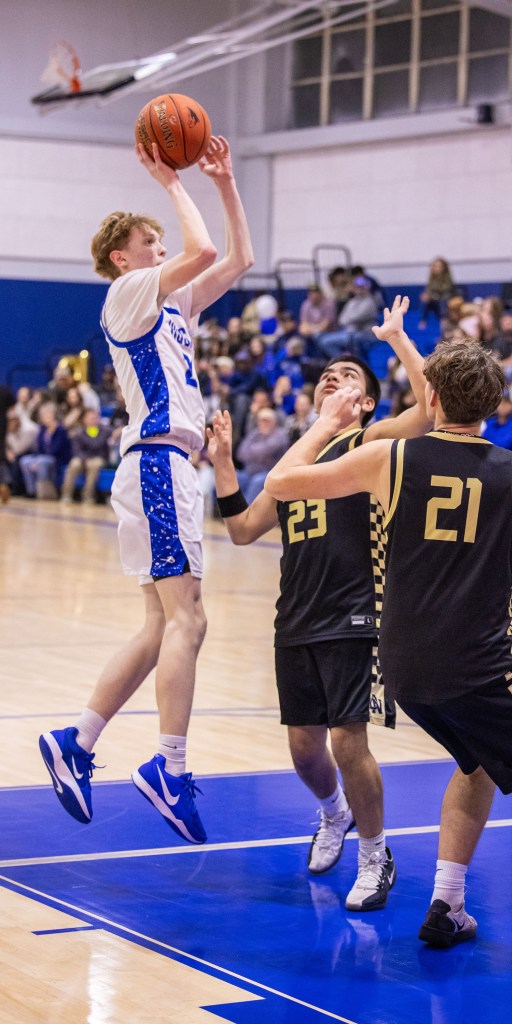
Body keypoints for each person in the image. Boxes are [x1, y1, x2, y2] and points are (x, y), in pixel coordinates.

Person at [264, 341, 512, 985]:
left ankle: (447, 907)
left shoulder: (390, 458)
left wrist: (324, 426)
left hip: (403, 669)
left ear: (430, 398)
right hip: (483, 666)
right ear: (497, 405)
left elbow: (279, 484)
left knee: (475, 761)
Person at [38, 134, 254, 844]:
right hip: (160, 464)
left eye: (161, 242)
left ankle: (76, 742)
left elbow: (238, 260)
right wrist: (173, 181)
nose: (161, 249)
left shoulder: (171, 306)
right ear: (120, 259)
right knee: (189, 622)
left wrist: (225, 180)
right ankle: (169, 766)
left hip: (162, 466)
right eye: (149, 243)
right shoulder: (127, 294)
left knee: (163, 626)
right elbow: (200, 249)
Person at [207, 296, 431, 913]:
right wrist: (223, 464)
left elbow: (429, 409)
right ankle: (334, 813)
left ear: (365, 403)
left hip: (356, 610)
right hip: (296, 613)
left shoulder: (370, 441)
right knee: (304, 749)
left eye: (347, 376)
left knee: (347, 740)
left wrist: (397, 341)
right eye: (326, 375)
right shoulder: (299, 457)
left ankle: (376, 853)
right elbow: (243, 529)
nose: (332, 376)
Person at [19, 401, 71, 499]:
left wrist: (38, 459)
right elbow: (38, 447)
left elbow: (56, 450)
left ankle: (44, 491)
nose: (43, 417)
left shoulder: (61, 430)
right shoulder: (42, 429)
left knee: (41, 462)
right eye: (42, 415)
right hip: (43, 457)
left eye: (46, 414)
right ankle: (31, 491)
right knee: (25, 461)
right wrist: (35, 459)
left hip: (57, 458)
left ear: (53, 415)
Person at [60, 408, 112, 505]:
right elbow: (76, 450)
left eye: (94, 418)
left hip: (99, 458)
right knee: (74, 463)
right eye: (90, 418)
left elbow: (102, 447)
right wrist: (85, 459)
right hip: (82, 458)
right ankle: (66, 495)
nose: (92, 420)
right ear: (84, 419)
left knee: (94, 464)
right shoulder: (78, 432)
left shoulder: (106, 431)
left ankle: (88, 497)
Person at [419, 258, 454, 329]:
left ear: (444, 267)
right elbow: (429, 289)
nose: (437, 268)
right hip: (433, 299)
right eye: (435, 266)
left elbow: (445, 290)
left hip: (443, 298)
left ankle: (443, 320)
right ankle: (423, 320)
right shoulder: (431, 277)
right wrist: (428, 295)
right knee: (425, 300)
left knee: (443, 302)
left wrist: (433, 295)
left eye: (439, 266)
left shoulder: (447, 277)